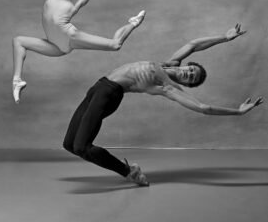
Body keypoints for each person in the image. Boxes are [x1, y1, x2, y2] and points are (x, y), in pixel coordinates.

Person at [63, 23, 263, 186]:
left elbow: (204, 108)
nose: (189, 74)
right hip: (98, 86)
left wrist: (237, 112)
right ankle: (126, 170)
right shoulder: (170, 63)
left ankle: (128, 171)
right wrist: (224, 38)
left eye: (191, 79)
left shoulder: (168, 87)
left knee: (82, 147)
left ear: (186, 84)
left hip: (109, 94)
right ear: (187, 65)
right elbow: (193, 44)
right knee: (70, 145)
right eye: (191, 70)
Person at [12, 0, 146, 103]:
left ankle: (132, 23)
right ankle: (17, 81)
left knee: (115, 45)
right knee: (18, 41)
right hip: (54, 46)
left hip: (70, 38)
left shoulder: (77, 0)